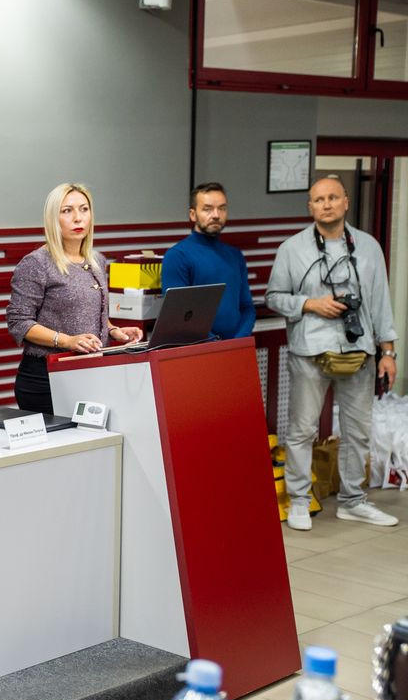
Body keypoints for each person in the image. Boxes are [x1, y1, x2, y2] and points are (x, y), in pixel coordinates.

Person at [265, 175, 398, 531]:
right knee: (302, 430)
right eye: (319, 199)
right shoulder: (291, 249)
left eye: (333, 198)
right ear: (310, 206)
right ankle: (298, 500)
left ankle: (353, 501)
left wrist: (388, 351)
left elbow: (380, 302)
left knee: (358, 431)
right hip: (309, 352)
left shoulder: (368, 246)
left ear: (346, 202)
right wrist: (311, 304)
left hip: (359, 351)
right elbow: (274, 297)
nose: (326, 204)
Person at [6, 183, 144, 415]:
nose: (78, 218)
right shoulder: (37, 263)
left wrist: (113, 331)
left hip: (92, 373)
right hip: (46, 380)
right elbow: (19, 322)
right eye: (67, 211)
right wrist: (67, 341)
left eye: (84, 209)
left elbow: (90, 311)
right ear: (53, 218)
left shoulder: (97, 260)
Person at [161, 182, 255, 339]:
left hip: (235, 346)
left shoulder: (235, 255)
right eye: (207, 209)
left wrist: (238, 341)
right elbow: (180, 315)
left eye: (222, 208)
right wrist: (216, 345)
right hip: (199, 348)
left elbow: (247, 307)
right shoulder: (177, 256)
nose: (216, 215)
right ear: (193, 214)